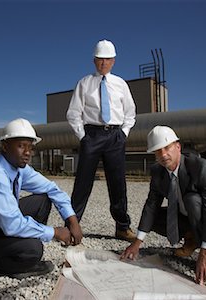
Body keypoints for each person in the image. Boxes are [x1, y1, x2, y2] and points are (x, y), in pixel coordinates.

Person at [0, 118, 83, 299]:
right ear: (4, 146)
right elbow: (11, 224)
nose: (27, 152)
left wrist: (72, 219)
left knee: (42, 199)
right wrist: (56, 232)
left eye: (30, 147)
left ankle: (19, 262)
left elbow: (52, 189)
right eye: (21, 146)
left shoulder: (19, 168)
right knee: (32, 249)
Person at [120, 126, 206, 286]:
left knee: (192, 200)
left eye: (167, 148)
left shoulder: (201, 167)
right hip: (185, 215)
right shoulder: (157, 171)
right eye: (157, 151)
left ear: (178, 147)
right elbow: (151, 205)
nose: (163, 155)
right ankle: (191, 240)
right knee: (154, 216)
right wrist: (137, 243)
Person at [66, 39, 137, 241]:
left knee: (118, 184)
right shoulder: (84, 83)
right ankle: (71, 226)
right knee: (82, 183)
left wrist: (123, 134)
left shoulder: (121, 84)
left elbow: (130, 113)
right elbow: (73, 113)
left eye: (107, 59)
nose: (103, 63)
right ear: (94, 60)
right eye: (99, 59)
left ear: (113, 61)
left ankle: (122, 227)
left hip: (115, 136)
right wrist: (83, 137)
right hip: (92, 136)